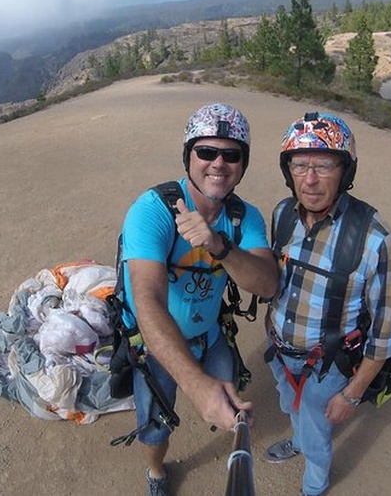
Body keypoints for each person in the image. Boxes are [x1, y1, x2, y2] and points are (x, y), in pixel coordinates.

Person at [117, 103, 278, 496]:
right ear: (188, 155)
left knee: (231, 402)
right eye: (207, 152)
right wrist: (195, 384)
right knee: (155, 426)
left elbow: (268, 284)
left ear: (243, 163)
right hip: (157, 345)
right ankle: (156, 472)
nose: (219, 163)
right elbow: (148, 301)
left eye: (231, 154)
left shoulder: (244, 218)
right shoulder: (151, 211)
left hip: (209, 333)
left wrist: (219, 246)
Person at [263, 111, 391, 496]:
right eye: (299, 165)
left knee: (318, 431)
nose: (310, 179)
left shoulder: (376, 240)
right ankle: (298, 440)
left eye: (324, 165)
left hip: (328, 366)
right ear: (287, 170)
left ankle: (314, 484)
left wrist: (352, 393)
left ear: (346, 171)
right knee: (292, 409)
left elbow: (385, 333)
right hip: (279, 350)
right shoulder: (283, 214)